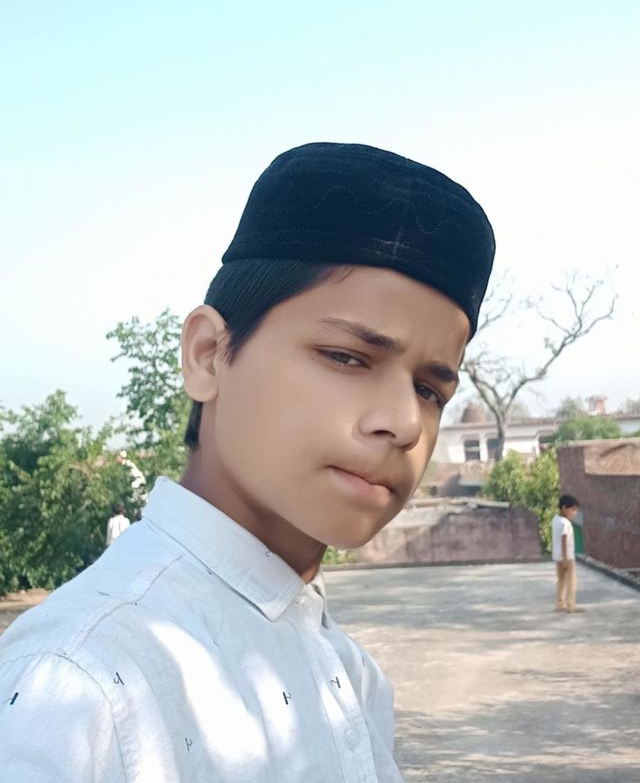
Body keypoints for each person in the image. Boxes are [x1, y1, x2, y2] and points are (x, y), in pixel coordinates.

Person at [0, 142, 495, 781]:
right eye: (347, 357)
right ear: (208, 354)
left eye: (429, 390)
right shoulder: (79, 687)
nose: (404, 423)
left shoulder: (352, 674)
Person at [551, 494, 583, 613]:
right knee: (571, 581)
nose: (574, 513)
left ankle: (560, 604)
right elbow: (564, 540)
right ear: (564, 508)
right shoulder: (566, 523)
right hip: (567, 557)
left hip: (557, 556)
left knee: (561, 580)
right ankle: (570, 605)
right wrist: (565, 558)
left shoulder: (555, 520)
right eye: (573, 509)